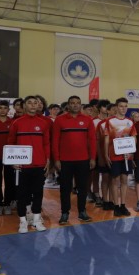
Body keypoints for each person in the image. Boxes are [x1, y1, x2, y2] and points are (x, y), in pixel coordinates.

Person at [8, 95, 51, 233]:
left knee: (38, 193)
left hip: (39, 165)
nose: (33, 105)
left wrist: (48, 160)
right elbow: (11, 143)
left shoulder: (43, 123)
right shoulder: (17, 123)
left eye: (35, 103)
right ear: (25, 106)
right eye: (30, 103)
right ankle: (22, 222)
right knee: (22, 195)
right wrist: (13, 162)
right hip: (22, 166)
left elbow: (46, 144)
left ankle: (37, 220)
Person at [53, 95, 96, 224]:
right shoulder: (59, 120)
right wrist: (56, 159)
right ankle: (65, 213)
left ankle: (82, 211)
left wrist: (92, 158)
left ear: (81, 105)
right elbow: (55, 141)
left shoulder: (88, 120)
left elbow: (92, 141)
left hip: (83, 160)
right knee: (65, 188)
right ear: (68, 105)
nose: (75, 105)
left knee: (82, 188)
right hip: (65, 161)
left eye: (78, 103)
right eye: (72, 103)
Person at [104, 97, 137, 216]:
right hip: (114, 156)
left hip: (126, 157)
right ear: (117, 107)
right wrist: (106, 155)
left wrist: (131, 152)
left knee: (124, 180)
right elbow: (106, 139)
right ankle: (116, 205)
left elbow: (134, 137)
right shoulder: (110, 121)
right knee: (114, 181)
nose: (123, 108)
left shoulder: (130, 122)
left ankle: (123, 205)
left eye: (125, 106)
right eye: (121, 106)